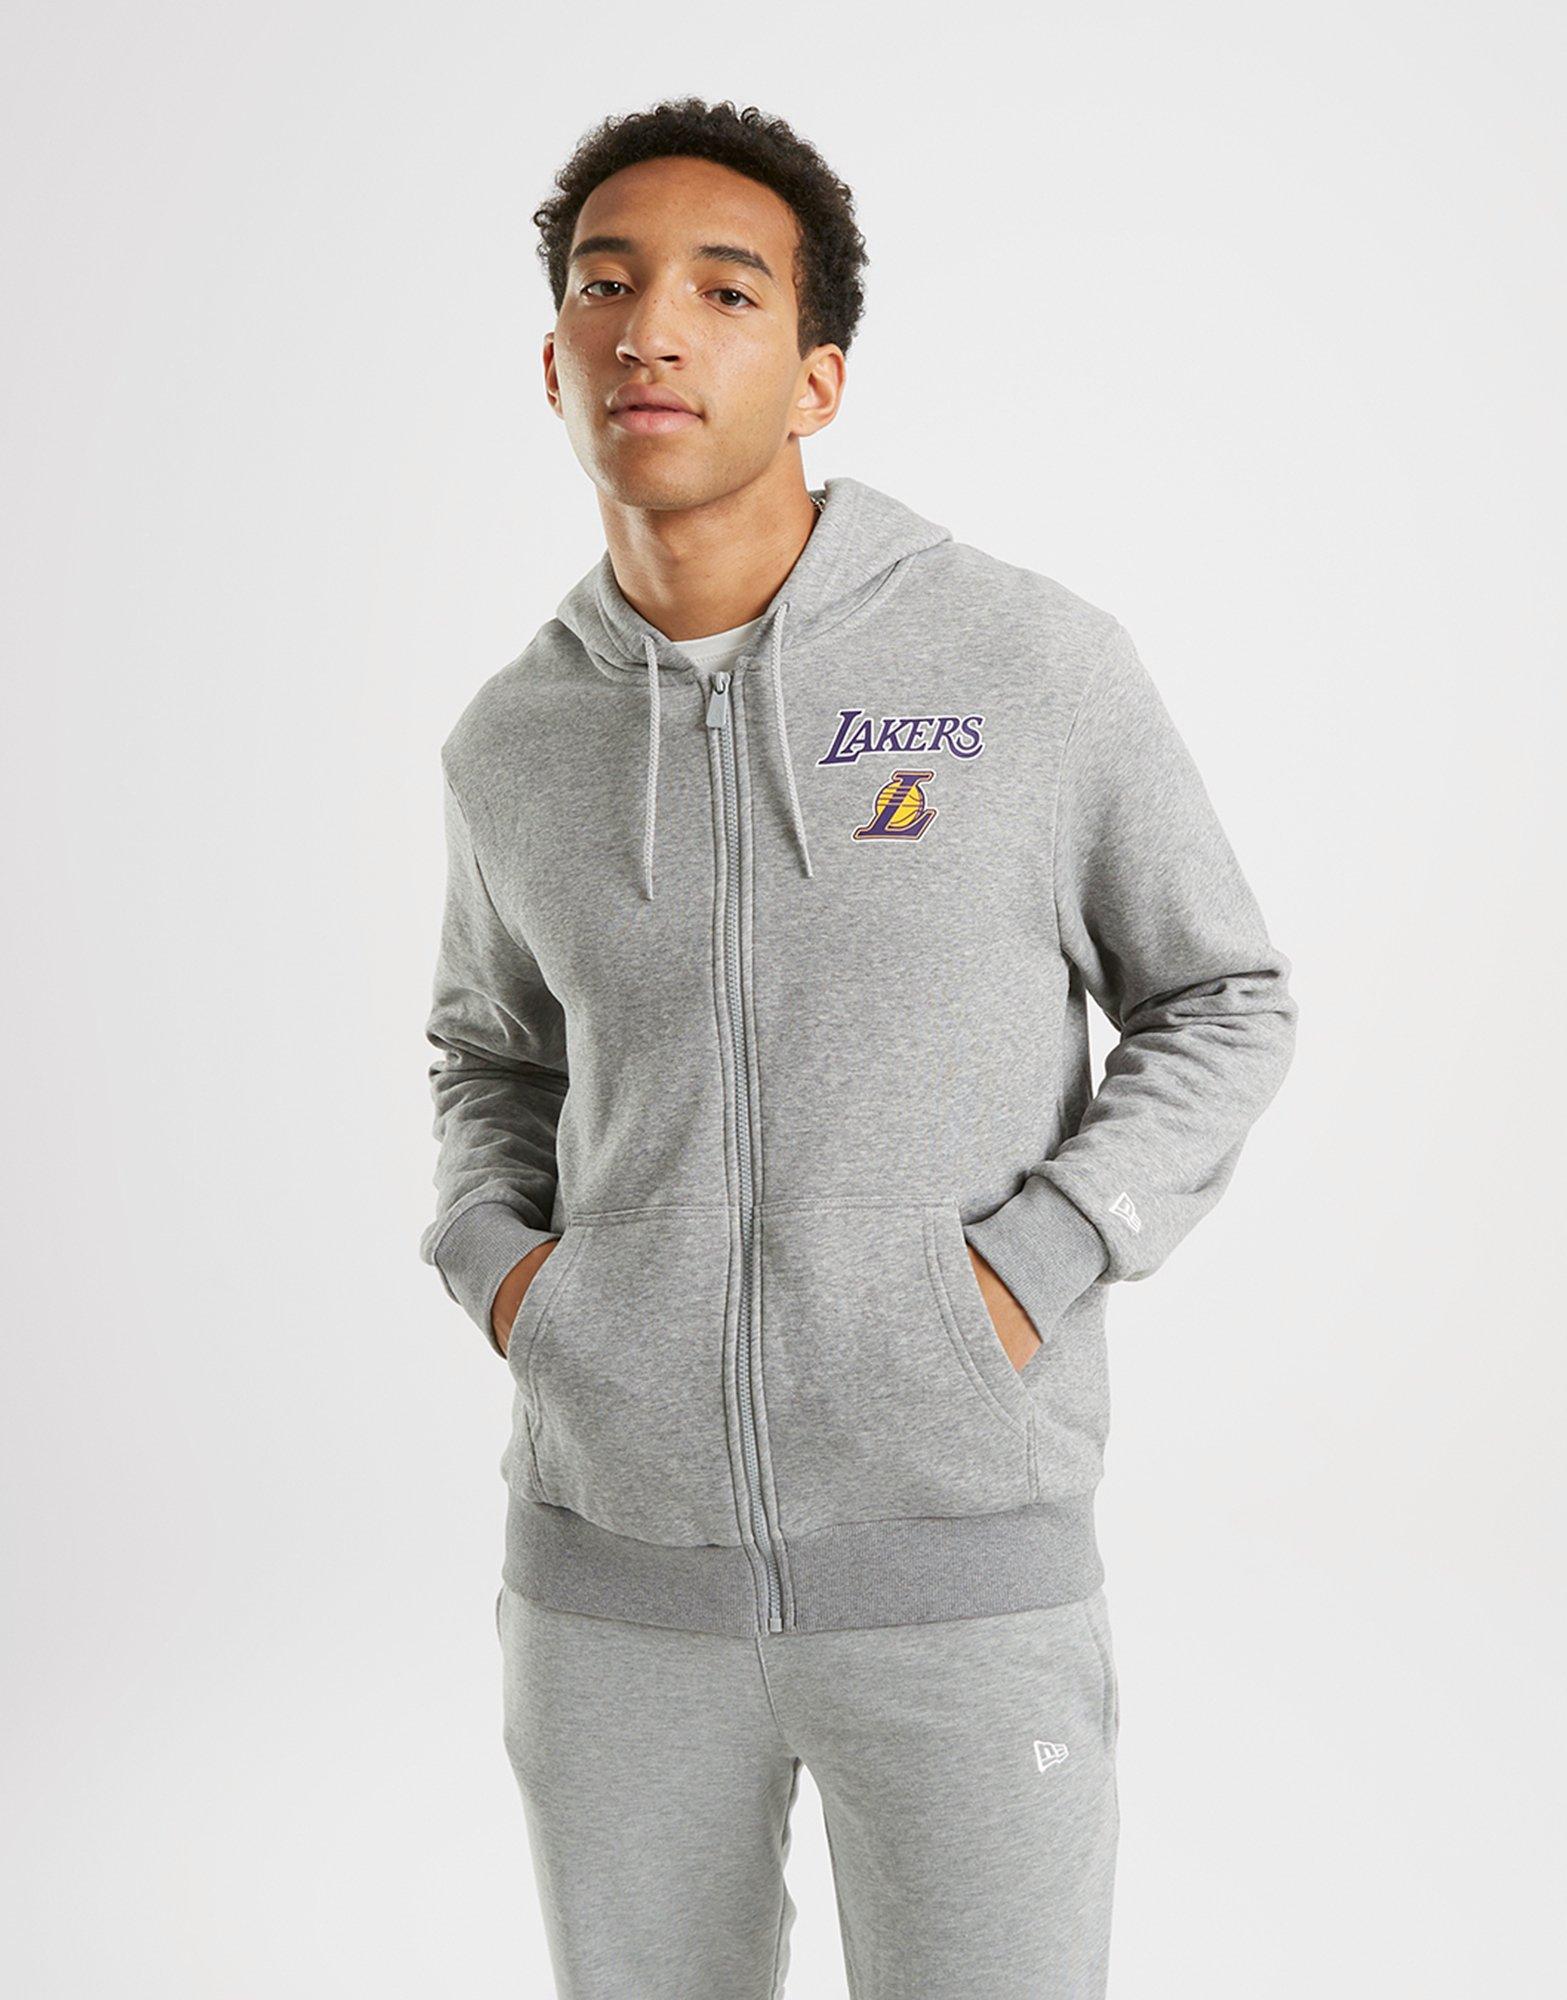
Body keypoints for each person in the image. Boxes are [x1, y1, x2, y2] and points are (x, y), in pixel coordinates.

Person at [419, 96, 1298, 2000]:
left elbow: (1223, 996)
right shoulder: (514, 741)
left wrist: (1027, 1268)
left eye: (725, 291)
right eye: (606, 286)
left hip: (962, 1579)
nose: (652, 328)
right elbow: (489, 1055)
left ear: (818, 377)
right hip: (608, 1594)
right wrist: (509, 1276)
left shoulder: (1028, 666)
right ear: (554, 361)